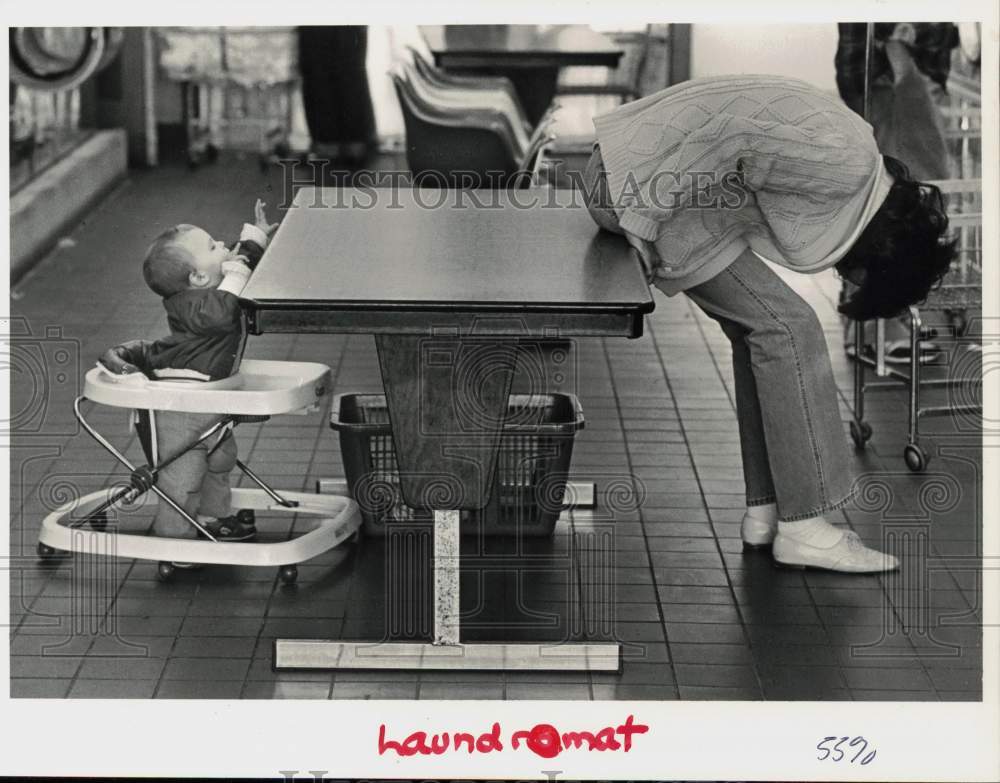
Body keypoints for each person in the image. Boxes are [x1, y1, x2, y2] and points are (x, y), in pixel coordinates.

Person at [583, 74, 956, 573]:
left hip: (629, 171)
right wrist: (642, 221)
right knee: (789, 328)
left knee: (762, 331)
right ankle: (805, 528)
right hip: (632, 183)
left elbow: (738, 143)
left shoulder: (856, 163)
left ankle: (768, 510)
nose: (846, 274)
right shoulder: (848, 161)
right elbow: (729, 136)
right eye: (862, 276)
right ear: (887, 250)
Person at [99, 199, 278, 546]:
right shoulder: (192, 304)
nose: (223, 246)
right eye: (213, 246)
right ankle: (174, 539)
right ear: (197, 277)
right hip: (179, 409)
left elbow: (235, 272)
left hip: (208, 402)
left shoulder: (210, 291)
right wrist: (237, 269)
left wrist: (254, 239)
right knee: (183, 477)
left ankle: (213, 519)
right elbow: (223, 311)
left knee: (219, 461)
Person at [835, 22, 960, 362]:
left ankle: (870, 330)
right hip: (895, 81)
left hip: (883, 85)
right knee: (897, 235)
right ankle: (882, 330)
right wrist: (899, 45)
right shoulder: (910, 80)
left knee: (884, 228)